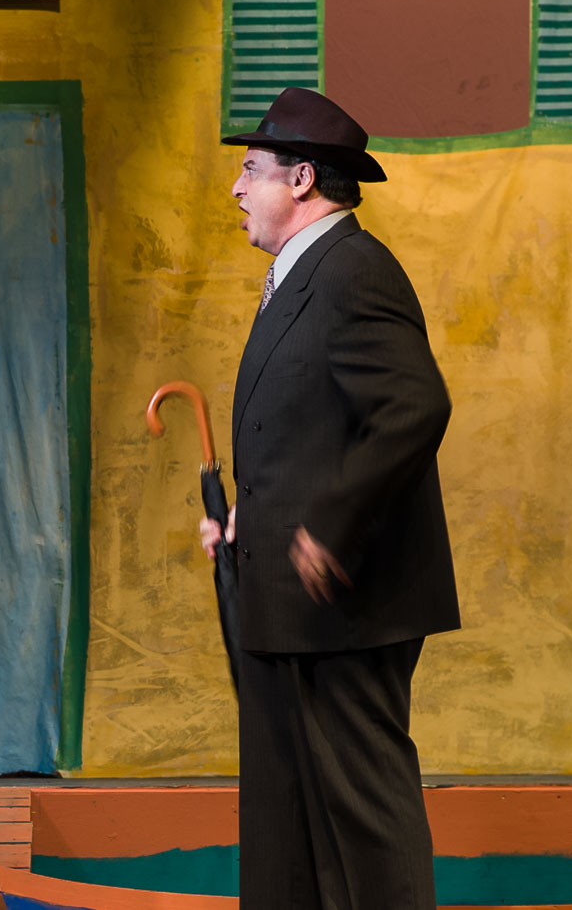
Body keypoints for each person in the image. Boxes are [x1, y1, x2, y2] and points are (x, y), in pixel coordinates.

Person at [201, 88, 460, 909]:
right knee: (289, 818)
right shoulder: (302, 275)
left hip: (346, 607)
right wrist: (252, 519)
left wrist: (330, 529)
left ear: (302, 178)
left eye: (251, 169)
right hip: (291, 604)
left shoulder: (353, 269)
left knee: (363, 818)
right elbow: (310, 426)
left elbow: (413, 407)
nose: (237, 188)